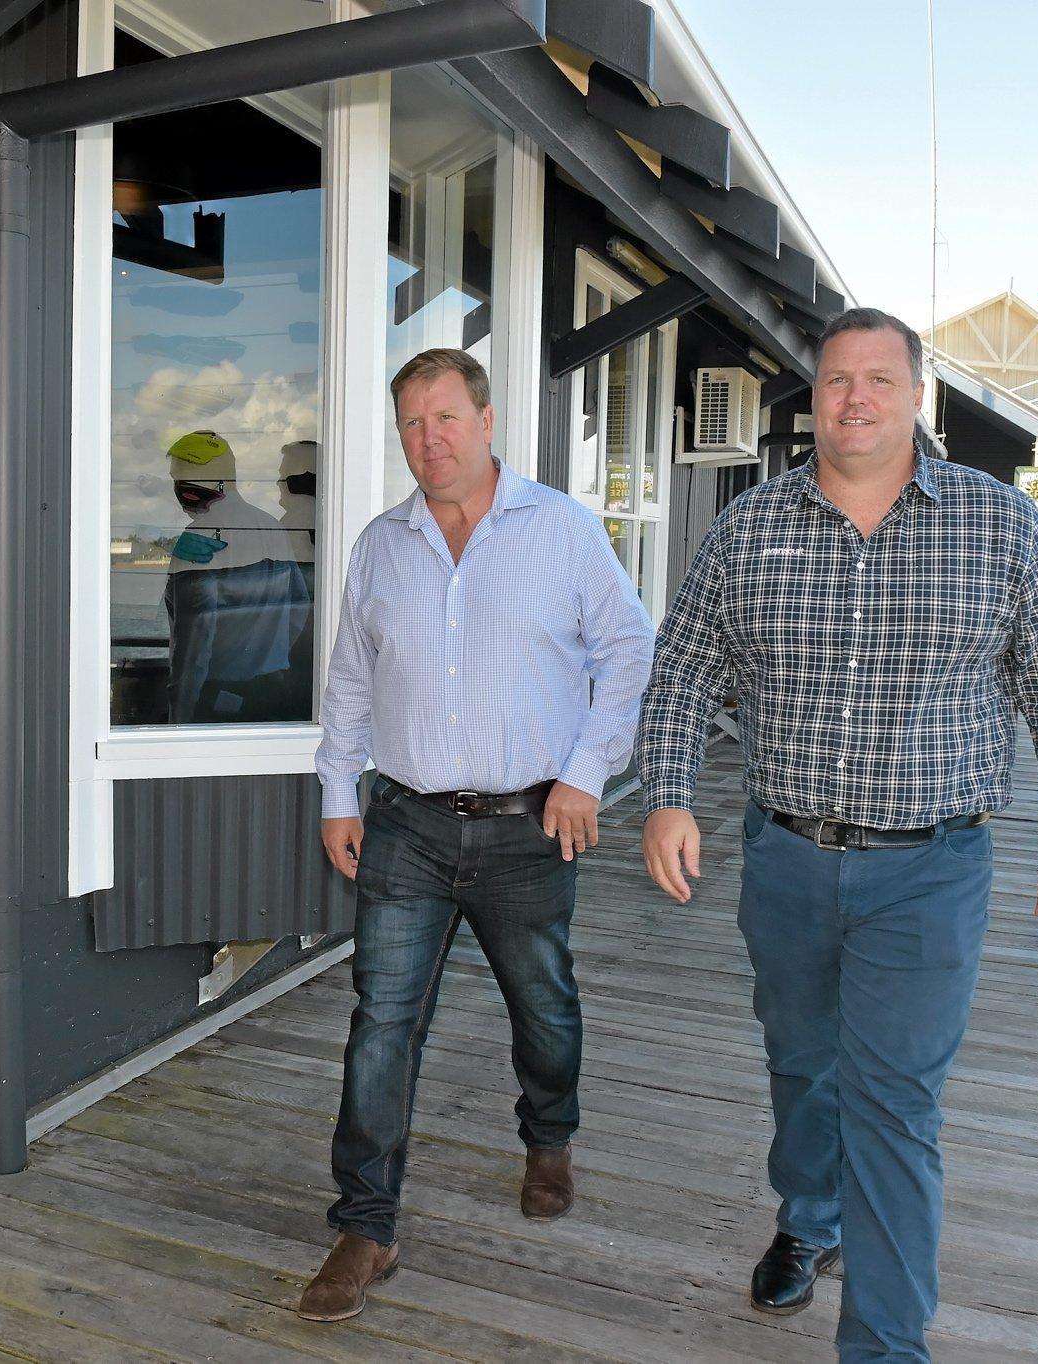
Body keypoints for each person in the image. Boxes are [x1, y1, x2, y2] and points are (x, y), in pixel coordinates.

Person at [634, 308, 1038, 1362]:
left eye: (877, 379)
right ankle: (809, 1215)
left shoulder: (997, 526)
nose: (853, 397)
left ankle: (885, 1343)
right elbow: (682, 670)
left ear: (914, 395)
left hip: (928, 869)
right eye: (835, 378)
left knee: (894, 1105)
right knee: (801, 1063)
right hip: (787, 858)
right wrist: (667, 791)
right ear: (812, 396)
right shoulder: (748, 526)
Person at [303, 347, 655, 1322]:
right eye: (412, 422)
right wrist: (339, 788)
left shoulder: (559, 532)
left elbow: (628, 650)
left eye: (446, 416)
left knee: (542, 1008)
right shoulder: (380, 544)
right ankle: (364, 1223)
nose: (429, 439)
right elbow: (349, 678)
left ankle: (549, 1130)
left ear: (487, 419)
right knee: (381, 1021)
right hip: (405, 823)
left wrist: (586, 773)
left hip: (526, 826)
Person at [162, 429, 313, 723]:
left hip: (216, 699)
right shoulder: (271, 527)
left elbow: (193, 646)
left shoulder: (198, 540)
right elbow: (298, 610)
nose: (176, 489)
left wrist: (178, 720)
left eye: (177, 479)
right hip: (274, 693)